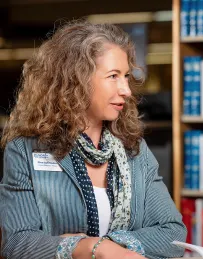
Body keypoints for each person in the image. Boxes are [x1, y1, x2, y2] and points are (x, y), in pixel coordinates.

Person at [0, 20, 186, 259]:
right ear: (75, 80)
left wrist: (97, 247)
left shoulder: (135, 150)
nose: (126, 90)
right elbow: (17, 242)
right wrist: (92, 249)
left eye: (126, 76)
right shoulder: (25, 150)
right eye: (113, 76)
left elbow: (172, 235)